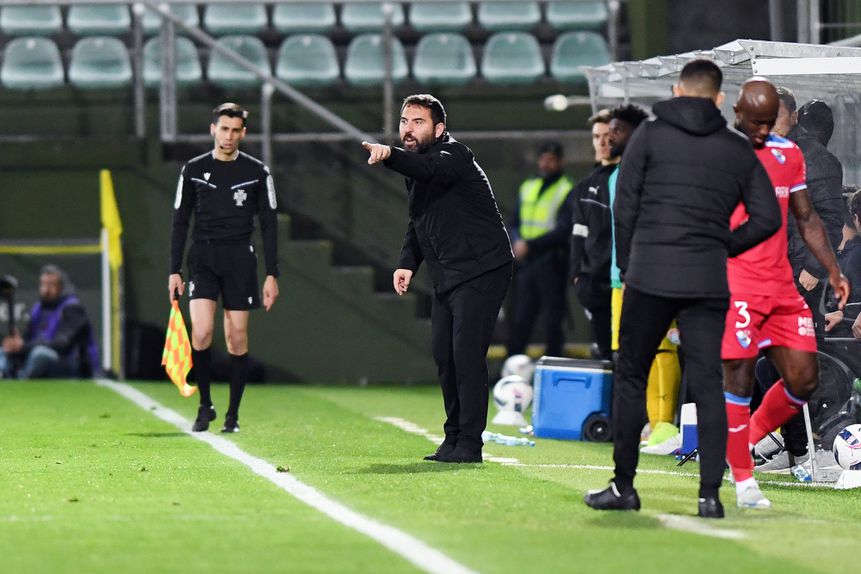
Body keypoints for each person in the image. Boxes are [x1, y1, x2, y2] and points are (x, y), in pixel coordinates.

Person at [584, 59, 781, 519]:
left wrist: (633, 262)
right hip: (707, 279)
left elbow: (624, 206)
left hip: (649, 275)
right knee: (708, 384)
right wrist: (723, 244)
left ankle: (624, 487)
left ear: (675, 90)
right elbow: (768, 218)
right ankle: (709, 496)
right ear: (717, 99)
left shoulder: (649, 136)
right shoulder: (735, 148)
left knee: (631, 375)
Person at [362, 94, 513, 464]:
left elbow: (430, 171)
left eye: (418, 122)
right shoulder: (416, 169)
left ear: (439, 129)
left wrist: (389, 155)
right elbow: (418, 221)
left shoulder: (454, 156)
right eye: (404, 122)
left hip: (482, 269)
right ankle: (452, 439)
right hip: (449, 274)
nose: (408, 129)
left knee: (465, 355)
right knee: (444, 356)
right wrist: (406, 264)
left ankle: (470, 445)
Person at [722, 79, 850, 509]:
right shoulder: (724, 156)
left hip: (785, 282)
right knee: (740, 375)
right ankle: (743, 479)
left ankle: (747, 442)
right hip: (740, 281)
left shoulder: (792, 155)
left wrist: (829, 268)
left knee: (802, 376)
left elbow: (811, 216)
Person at [169, 102, 280, 434]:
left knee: (236, 338)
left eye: (235, 130)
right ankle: (206, 405)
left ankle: (233, 413)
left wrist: (272, 274)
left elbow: (270, 224)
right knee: (201, 333)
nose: (229, 136)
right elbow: (179, 221)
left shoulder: (257, 172)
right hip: (202, 258)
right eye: (224, 128)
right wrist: (174, 269)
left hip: (240, 260)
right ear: (212, 129)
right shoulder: (192, 169)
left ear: (243, 133)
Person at [776, 89, 845, 332]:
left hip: (799, 278)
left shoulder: (814, 158)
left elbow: (831, 217)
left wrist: (813, 268)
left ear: (794, 117)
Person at [506, 142, 575, 358]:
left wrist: (529, 245)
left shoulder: (567, 189)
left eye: (552, 159)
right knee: (520, 318)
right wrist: (516, 241)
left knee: (553, 320)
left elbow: (564, 229)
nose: (546, 164)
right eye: (543, 159)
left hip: (552, 262)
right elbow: (514, 221)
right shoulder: (528, 187)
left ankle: (554, 367)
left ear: (561, 162)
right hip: (526, 263)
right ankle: (511, 371)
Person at [569, 109, 617, 360]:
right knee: (607, 355)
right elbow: (578, 233)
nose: (601, 142)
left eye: (607, 135)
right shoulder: (584, 186)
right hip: (595, 285)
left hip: (622, 283)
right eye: (597, 136)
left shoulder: (630, 179)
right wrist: (577, 275)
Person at [0, 265, 99, 379]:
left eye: (51, 285)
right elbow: (29, 338)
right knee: (3, 351)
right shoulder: (38, 308)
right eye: (43, 284)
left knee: (39, 355)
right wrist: (17, 343)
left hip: (71, 363)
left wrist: (24, 346)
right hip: (38, 356)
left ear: (61, 287)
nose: (46, 289)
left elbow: (61, 345)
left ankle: (21, 381)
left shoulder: (73, 309)